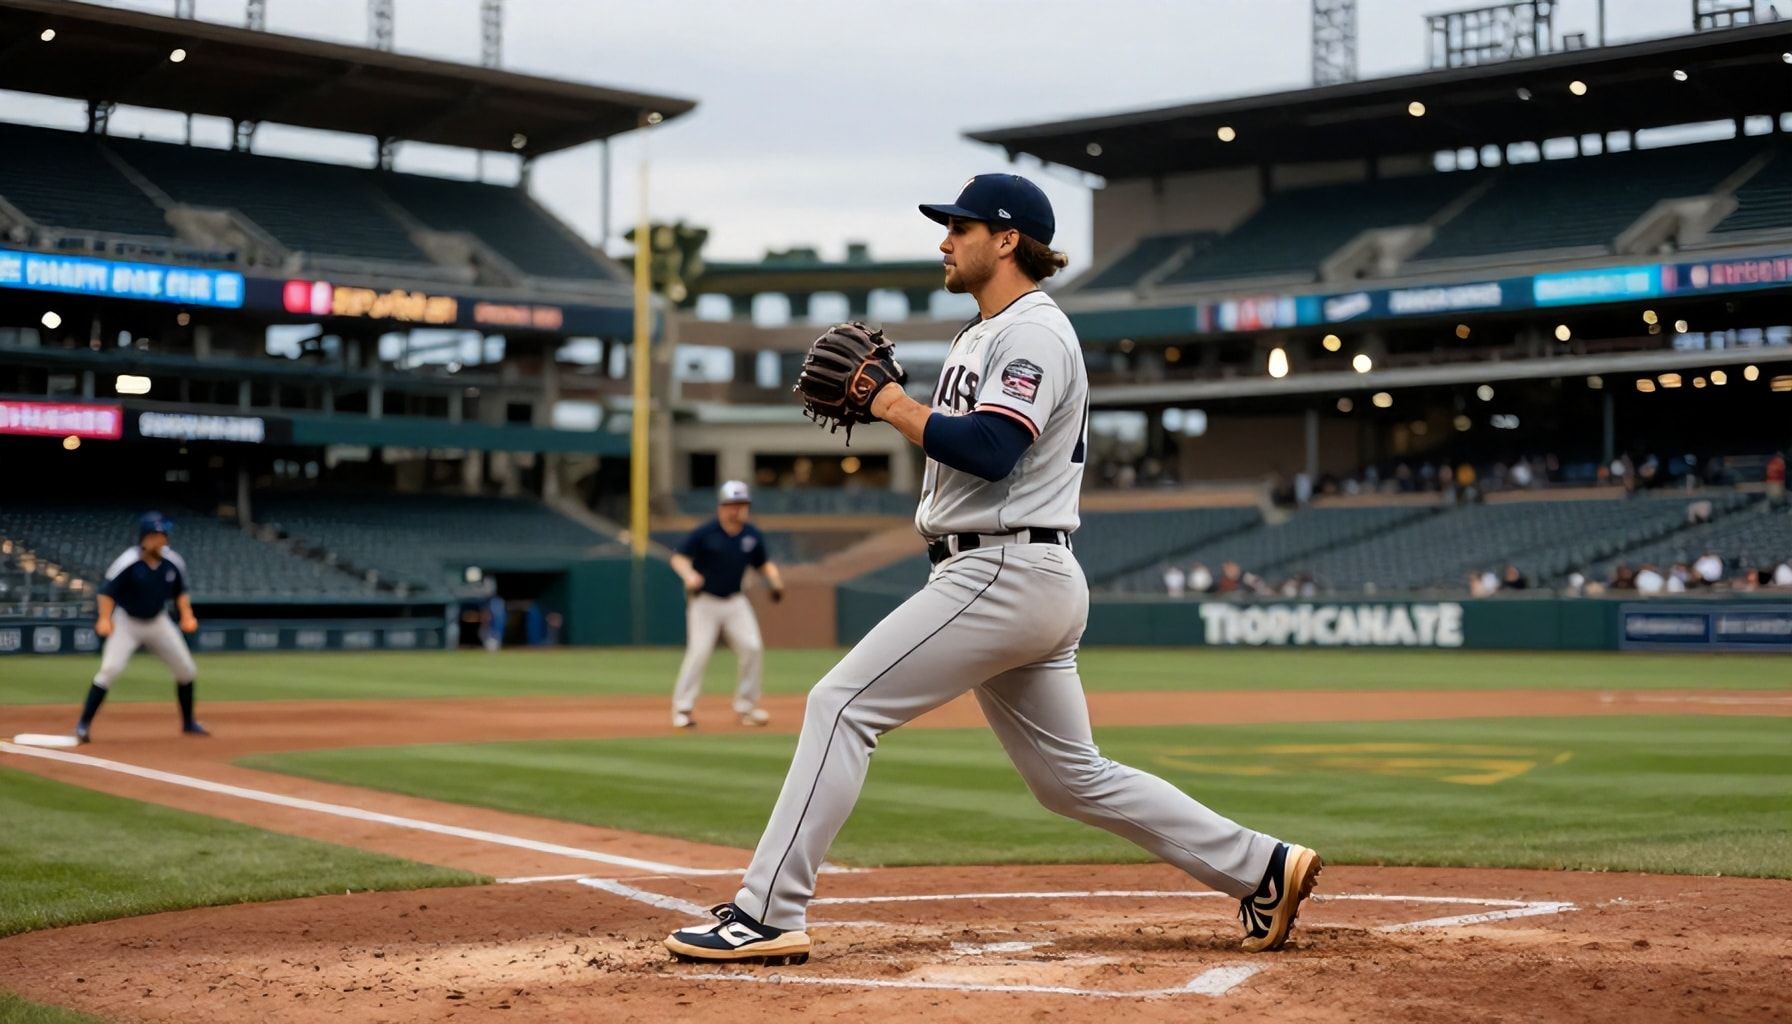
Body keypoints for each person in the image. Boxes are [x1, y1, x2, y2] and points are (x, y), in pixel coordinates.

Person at [664, 173, 1320, 967]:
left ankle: (767, 913)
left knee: (840, 706)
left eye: (961, 226)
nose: (944, 239)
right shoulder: (983, 332)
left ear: (1007, 239)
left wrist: (890, 404)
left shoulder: (1035, 331)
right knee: (1069, 780)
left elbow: (992, 448)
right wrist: (901, 406)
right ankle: (1261, 867)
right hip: (1009, 571)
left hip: (1004, 567)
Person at [72, 512, 205, 743]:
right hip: (128, 622)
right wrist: (104, 618)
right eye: (157, 535)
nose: (162, 539)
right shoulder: (128, 561)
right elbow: (106, 593)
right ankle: (83, 724)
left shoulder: (173, 561)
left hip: (158, 621)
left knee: (186, 671)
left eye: (164, 534)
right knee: (110, 670)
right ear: (145, 537)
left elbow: (180, 592)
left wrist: (187, 615)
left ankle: (188, 722)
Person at [668, 480, 784, 729]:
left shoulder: (751, 535)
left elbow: (762, 563)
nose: (737, 510)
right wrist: (689, 575)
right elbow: (678, 558)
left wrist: (774, 580)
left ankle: (747, 708)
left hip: (735, 601)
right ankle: (683, 709)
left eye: (742, 504)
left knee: (752, 648)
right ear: (721, 507)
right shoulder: (705, 532)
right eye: (733, 504)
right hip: (705, 602)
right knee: (699, 652)